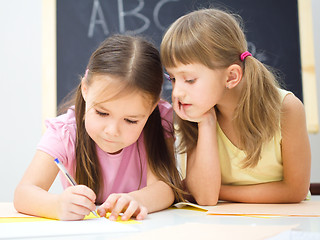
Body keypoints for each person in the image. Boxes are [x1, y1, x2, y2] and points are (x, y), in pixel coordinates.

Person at [14, 34, 184, 221]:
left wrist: (136, 199)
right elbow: (24, 193)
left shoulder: (159, 121)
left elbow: (165, 187)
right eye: (102, 113)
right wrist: (56, 206)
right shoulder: (65, 132)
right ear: (85, 90)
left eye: (130, 121)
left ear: (152, 108)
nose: (112, 130)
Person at [160, 8, 311, 205]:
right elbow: (206, 197)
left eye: (189, 79)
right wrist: (206, 123)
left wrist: (219, 190)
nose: (177, 92)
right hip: (227, 223)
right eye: (172, 78)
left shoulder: (286, 108)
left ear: (231, 76)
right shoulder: (198, 113)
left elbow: (294, 191)